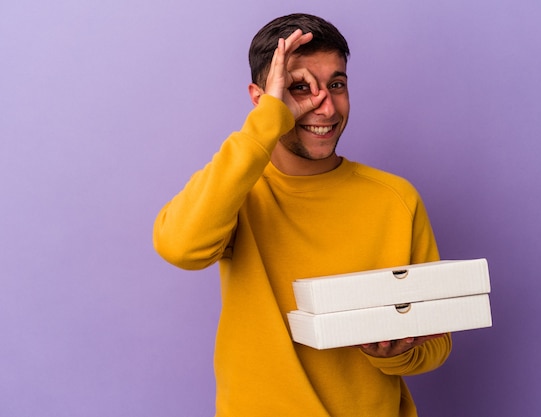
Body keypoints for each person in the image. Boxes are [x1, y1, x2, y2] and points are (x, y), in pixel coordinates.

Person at [153, 13, 452, 417]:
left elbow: (437, 339)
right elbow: (180, 247)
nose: (324, 106)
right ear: (262, 99)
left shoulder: (395, 198)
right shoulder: (236, 190)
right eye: (299, 88)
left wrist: (396, 354)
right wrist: (265, 125)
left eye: (337, 85)